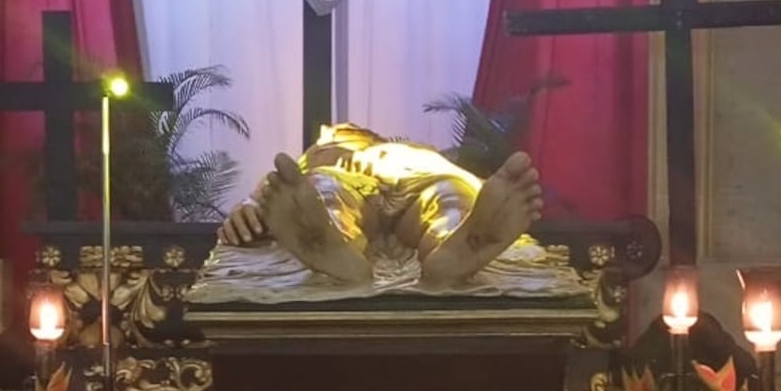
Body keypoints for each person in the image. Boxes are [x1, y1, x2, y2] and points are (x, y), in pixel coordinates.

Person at [216, 122, 549, 291]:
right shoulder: (321, 153)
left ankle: (459, 243)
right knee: (325, 195)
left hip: (416, 175)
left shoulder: (410, 150)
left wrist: (253, 200)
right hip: (369, 177)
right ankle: (332, 244)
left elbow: (274, 190)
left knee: (450, 196)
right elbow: (282, 192)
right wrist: (250, 205)